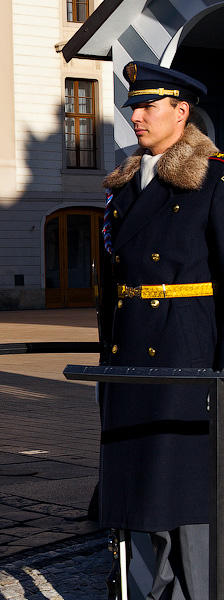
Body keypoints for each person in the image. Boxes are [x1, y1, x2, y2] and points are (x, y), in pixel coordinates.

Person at [98, 62, 219, 598]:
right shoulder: (124, 185)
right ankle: (143, 587)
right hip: (130, 355)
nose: (137, 116)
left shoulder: (212, 176)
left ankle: (198, 589)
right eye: (133, 106)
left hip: (183, 350)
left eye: (149, 106)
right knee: (136, 482)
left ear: (181, 111)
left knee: (181, 484)